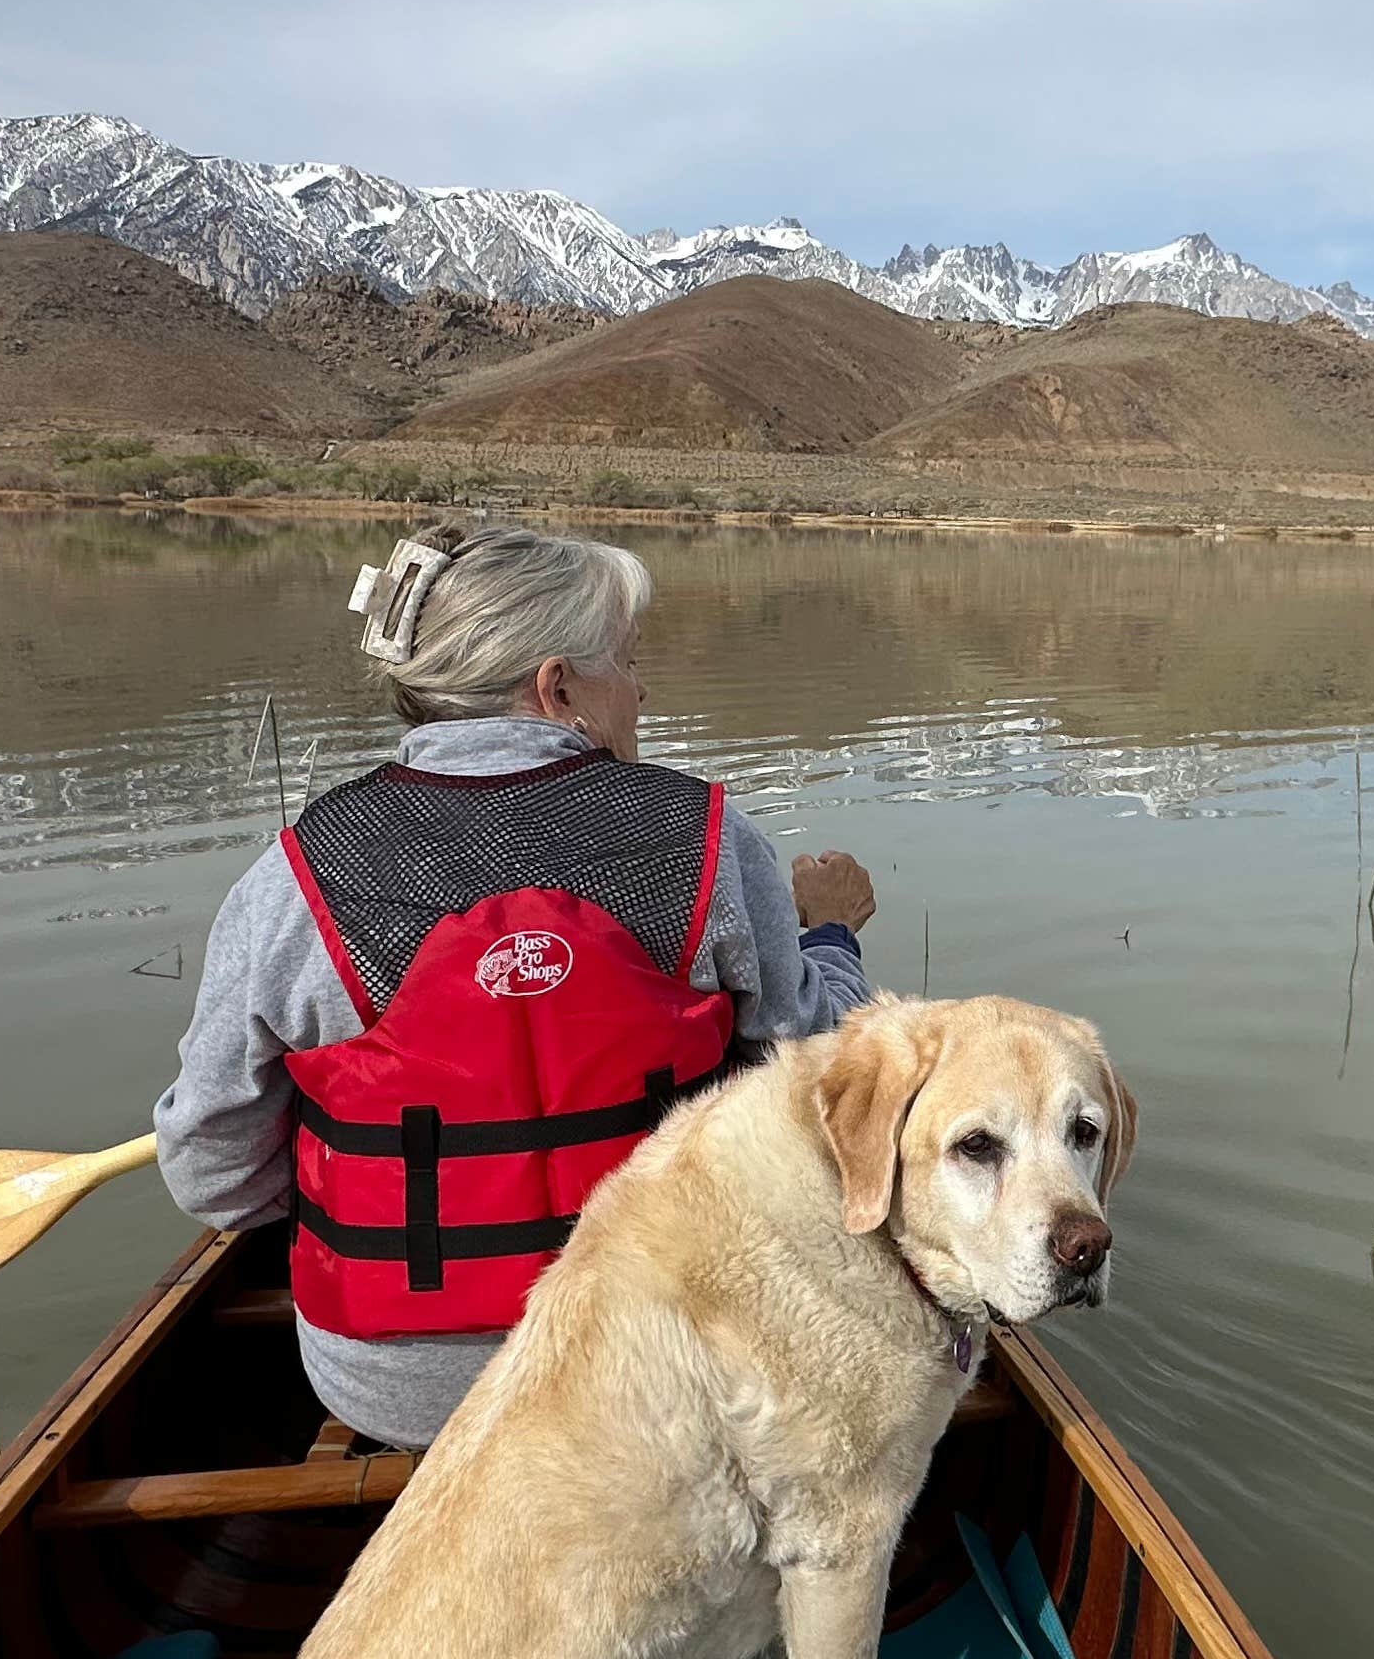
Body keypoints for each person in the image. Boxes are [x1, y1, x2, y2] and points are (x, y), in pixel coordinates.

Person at [154, 521, 877, 1445]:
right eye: (626, 659)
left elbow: (212, 1176)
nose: (641, 687)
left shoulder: (293, 876)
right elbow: (826, 1066)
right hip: (669, 1361)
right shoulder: (705, 843)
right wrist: (830, 933)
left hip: (392, 1391)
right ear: (558, 685)